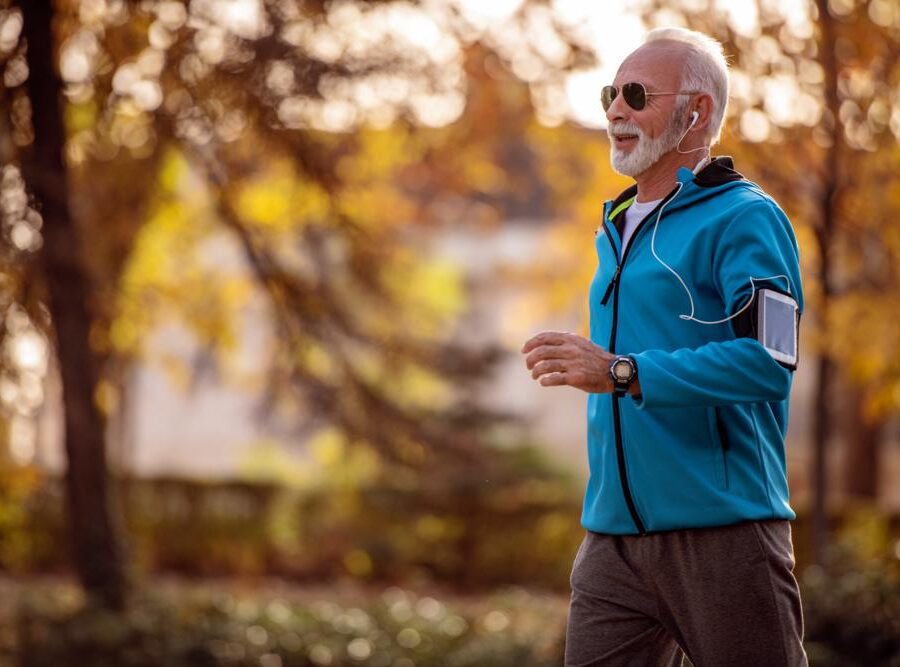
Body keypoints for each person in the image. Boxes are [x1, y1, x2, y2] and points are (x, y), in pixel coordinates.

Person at [520, 27, 808, 667]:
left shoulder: (744, 217)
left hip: (724, 533)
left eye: (635, 94)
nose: (615, 111)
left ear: (696, 112)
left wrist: (619, 371)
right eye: (608, 95)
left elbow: (770, 360)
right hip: (612, 540)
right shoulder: (615, 227)